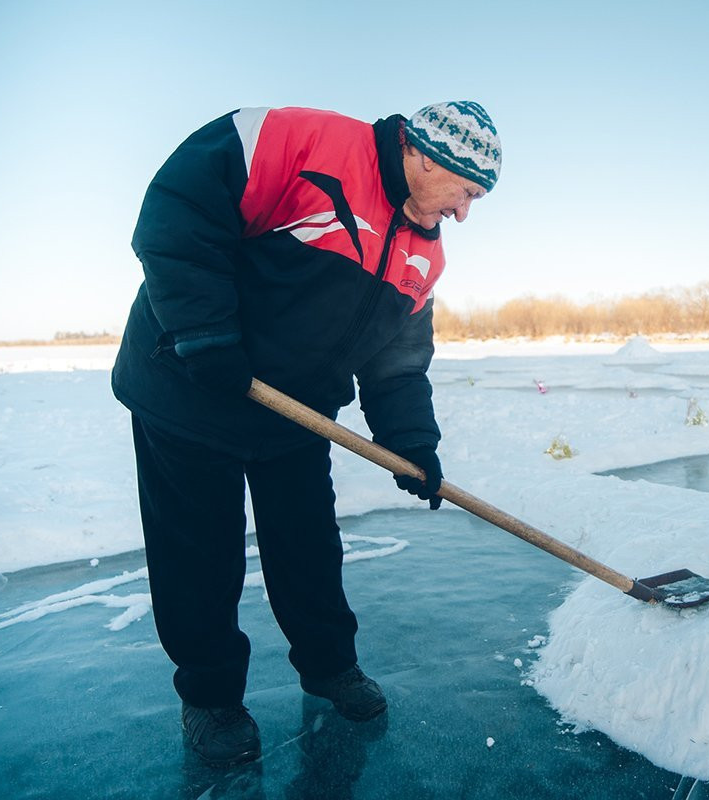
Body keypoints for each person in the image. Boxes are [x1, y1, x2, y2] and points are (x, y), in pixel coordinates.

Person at [111, 101, 501, 766]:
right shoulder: (303, 142)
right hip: (188, 384)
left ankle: (328, 667)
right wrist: (204, 333)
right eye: (466, 192)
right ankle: (210, 698)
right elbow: (178, 208)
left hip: (294, 414)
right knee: (200, 555)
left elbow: (397, 365)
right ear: (427, 157)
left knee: (309, 548)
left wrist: (413, 445)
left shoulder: (424, 256)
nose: (465, 213)